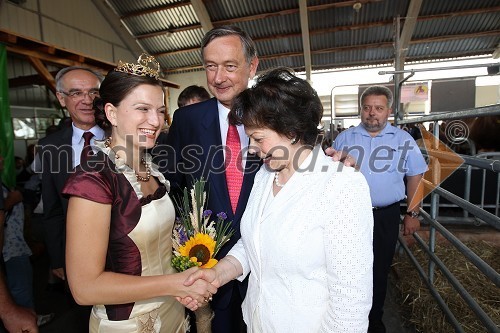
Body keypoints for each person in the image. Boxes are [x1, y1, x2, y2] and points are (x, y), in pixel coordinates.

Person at [182, 67, 374, 332]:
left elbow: (351, 301)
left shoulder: (340, 186)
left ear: (292, 131)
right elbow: (253, 245)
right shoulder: (265, 176)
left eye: (258, 138)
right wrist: (217, 273)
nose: (251, 148)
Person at [61, 53, 216, 332]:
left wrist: (188, 278)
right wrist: (174, 284)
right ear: (111, 113)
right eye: (143, 109)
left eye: (159, 110)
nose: (155, 121)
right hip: (129, 322)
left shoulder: (149, 167)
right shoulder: (94, 178)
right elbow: (84, 288)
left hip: (172, 310)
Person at [159, 25, 262, 332]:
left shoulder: (275, 115)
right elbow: (173, 184)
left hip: (265, 267)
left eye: (230, 66)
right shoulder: (188, 120)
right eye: (210, 67)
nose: (218, 78)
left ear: (252, 65)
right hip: (207, 269)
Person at [331, 85, 428, 333]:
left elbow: (415, 175)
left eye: (378, 108)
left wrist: (412, 213)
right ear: (360, 110)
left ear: (389, 111)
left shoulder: (402, 139)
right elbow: (330, 175)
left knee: (379, 269)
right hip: (349, 215)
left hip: (385, 214)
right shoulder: (345, 138)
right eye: (367, 108)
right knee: (346, 267)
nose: (372, 113)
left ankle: (373, 322)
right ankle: (346, 320)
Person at [38, 66, 105, 283]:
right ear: (61, 98)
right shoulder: (50, 146)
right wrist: (57, 259)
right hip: (77, 257)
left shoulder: (126, 138)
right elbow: (53, 209)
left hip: (126, 252)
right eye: (76, 93)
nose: (87, 100)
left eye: (94, 92)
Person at [0, 161, 38, 333]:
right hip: (10, 251)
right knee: (20, 293)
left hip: (14, 246)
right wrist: (9, 312)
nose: (2, 159)